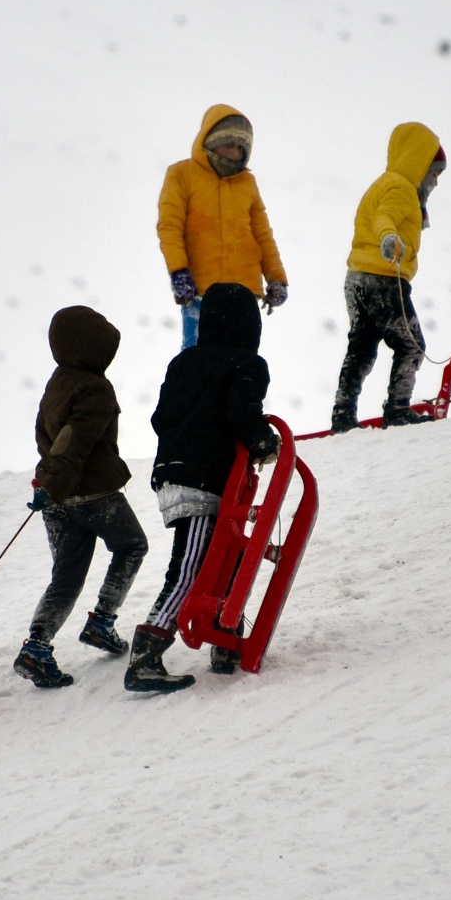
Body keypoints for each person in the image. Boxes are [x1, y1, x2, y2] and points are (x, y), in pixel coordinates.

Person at [127, 283, 279, 693]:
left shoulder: (183, 364)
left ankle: (224, 640)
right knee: (193, 567)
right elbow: (241, 413)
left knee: (223, 558)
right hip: (205, 480)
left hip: (175, 474)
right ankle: (146, 654)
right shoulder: (248, 363)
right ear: (251, 326)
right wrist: (265, 443)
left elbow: (161, 417)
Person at [14, 306, 149, 689]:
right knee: (133, 546)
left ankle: (36, 648)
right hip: (91, 492)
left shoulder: (57, 383)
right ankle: (103, 621)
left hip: (53, 496)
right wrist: (57, 483)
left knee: (67, 575)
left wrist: (49, 487)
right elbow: (76, 439)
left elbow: (50, 439)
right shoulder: (95, 387)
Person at [330, 122, 446, 432]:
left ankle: (342, 415)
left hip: (357, 279)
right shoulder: (403, 189)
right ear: (419, 164)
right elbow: (385, 218)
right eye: (433, 173)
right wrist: (389, 237)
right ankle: (398, 409)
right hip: (383, 280)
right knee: (412, 345)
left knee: (362, 346)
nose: (435, 182)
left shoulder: (382, 183)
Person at [157, 104, 289, 349]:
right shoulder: (181, 174)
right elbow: (170, 226)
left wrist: (276, 278)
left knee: (241, 368)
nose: (235, 153)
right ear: (211, 140)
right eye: (230, 143)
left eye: (242, 147)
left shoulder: (247, 183)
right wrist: (179, 271)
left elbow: (262, 235)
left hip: (245, 295)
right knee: (196, 366)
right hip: (200, 293)